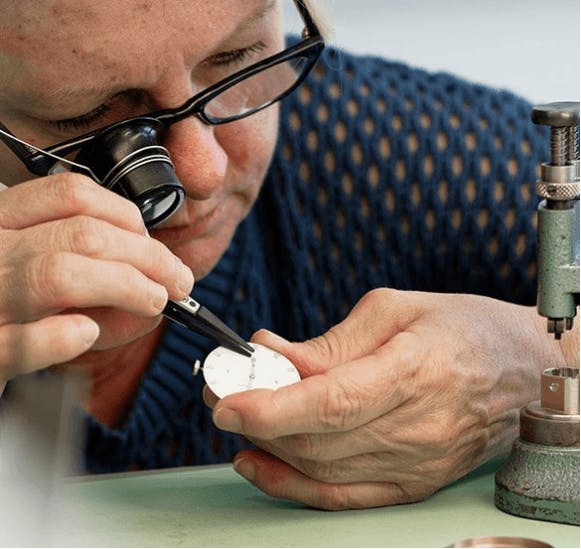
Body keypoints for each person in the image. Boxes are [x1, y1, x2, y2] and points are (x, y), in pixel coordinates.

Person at [0, 0, 577, 511]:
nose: (203, 173)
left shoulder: (386, 145)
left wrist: (531, 366)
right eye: (86, 114)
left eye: (236, 59)